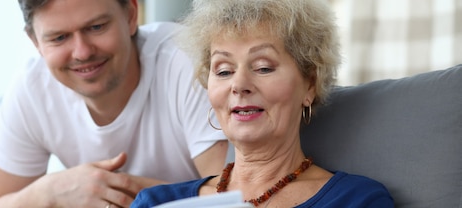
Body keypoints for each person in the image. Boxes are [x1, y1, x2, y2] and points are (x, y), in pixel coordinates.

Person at [0, 0, 228, 207]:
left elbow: (235, 198)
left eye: (96, 27)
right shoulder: (33, 90)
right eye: (59, 38)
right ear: (35, 42)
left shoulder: (185, 60)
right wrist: (48, 192)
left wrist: (117, 192)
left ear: (130, 15)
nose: (82, 52)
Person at [131, 0, 394, 207]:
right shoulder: (156, 203)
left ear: (310, 85)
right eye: (223, 71)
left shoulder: (357, 200)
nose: (239, 84)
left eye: (263, 67)